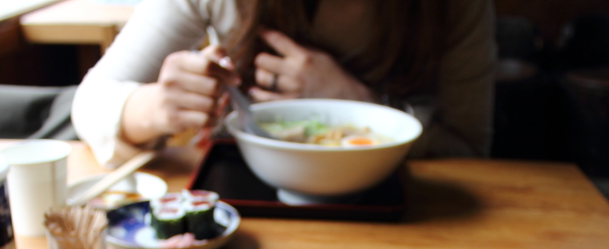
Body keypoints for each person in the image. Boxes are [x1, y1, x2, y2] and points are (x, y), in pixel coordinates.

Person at [73, 0, 496, 166]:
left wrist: (358, 103)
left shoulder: (456, 10)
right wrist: (156, 107)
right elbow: (90, 103)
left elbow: (469, 146)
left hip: (410, 220)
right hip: (243, 214)